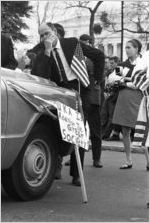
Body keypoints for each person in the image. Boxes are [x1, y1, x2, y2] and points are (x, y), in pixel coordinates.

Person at [31, 22, 105, 186]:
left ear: (55, 31)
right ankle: (56, 165)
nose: (44, 38)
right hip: (59, 92)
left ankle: (76, 174)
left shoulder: (71, 43)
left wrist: (97, 80)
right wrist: (48, 52)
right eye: (41, 35)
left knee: (79, 131)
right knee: (60, 129)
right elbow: (39, 76)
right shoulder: (41, 51)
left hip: (79, 89)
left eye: (46, 33)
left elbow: (99, 56)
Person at [112, 39, 143, 169]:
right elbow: (112, 78)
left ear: (137, 49)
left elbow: (141, 82)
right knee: (125, 130)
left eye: (129, 47)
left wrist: (124, 81)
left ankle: (148, 161)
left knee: (143, 129)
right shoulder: (122, 64)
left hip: (139, 98)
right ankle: (129, 160)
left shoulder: (143, 64)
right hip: (124, 97)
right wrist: (124, 81)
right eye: (126, 47)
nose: (126, 49)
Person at [101, 56, 121, 141]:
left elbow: (120, 80)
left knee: (111, 116)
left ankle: (106, 134)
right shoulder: (109, 72)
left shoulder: (118, 70)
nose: (110, 64)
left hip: (115, 94)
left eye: (112, 63)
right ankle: (102, 133)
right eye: (110, 63)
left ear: (117, 63)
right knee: (104, 114)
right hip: (108, 94)